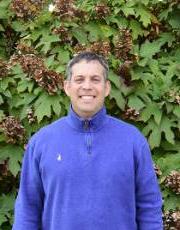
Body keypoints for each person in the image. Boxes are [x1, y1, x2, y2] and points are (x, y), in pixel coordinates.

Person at [13, 52, 163, 230]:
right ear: (67, 87)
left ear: (106, 87)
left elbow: (149, 207)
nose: (87, 86)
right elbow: (28, 210)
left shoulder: (132, 141)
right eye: (79, 79)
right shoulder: (42, 142)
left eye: (95, 79)